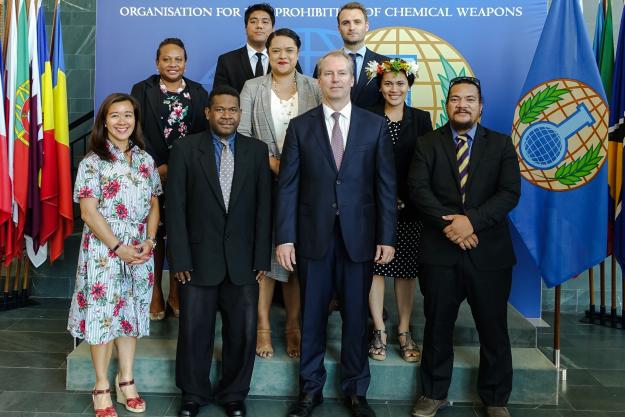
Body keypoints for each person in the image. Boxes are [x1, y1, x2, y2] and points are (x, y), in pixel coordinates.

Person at [276, 50, 397, 417]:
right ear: (318, 80)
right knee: (311, 316)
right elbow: (288, 187)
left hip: (360, 237)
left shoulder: (374, 125)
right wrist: (284, 237)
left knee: (356, 318)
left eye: (342, 73)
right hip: (313, 238)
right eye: (327, 74)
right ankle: (309, 391)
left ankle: (356, 390)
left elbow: (385, 187)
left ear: (351, 78)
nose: (335, 80)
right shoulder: (301, 126)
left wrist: (387, 237)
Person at [407, 76, 521, 417]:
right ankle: (433, 392)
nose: (462, 105)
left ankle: (496, 398)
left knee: (493, 327)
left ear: (480, 106)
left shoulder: (500, 145)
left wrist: (470, 221)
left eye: (470, 99)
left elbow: (509, 193)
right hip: (440, 254)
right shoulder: (427, 144)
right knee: (438, 324)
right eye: (456, 99)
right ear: (447, 106)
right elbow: (418, 190)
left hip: (489, 254)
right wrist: (452, 226)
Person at [166, 85, 272, 417]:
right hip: (197, 260)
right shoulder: (185, 149)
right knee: (194, 330)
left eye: (233, 110)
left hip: (243, 261)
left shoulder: (256, 151)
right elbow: (176, 207)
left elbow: (264, 209)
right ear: (208, 113)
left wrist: (260, 258)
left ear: (240, 115)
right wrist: (179, 257)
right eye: (220, 110)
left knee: (242, 331)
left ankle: (234, 393)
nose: (227, 115)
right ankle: (193, 394)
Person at [67, 93, 161, 417]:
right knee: (102, 319)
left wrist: (149, 241)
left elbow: (154, 204)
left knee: (131, 316)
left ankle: (127, 381)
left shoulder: (146, 160)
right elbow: (89, 213)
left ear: (135, 120)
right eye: (115, 116)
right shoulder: (93, 161)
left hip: (138, 249)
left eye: (128, 115)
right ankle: (100, 386)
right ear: (104, 121)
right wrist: (118, 247)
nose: (122, 121)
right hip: (103, 251)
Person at [238, 28, 321, 360]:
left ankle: (293, 326)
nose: (282, 55)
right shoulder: (252, 87)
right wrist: (273, 164)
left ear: (299, 53)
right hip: (263, 184)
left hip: (308, 187)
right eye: (276, 50)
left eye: (289, 49)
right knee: (267, 259)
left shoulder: (314, 88)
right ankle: (263, 327)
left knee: (296, 260)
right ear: (267, 54)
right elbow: (242, 134)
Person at [130, 37, 209, 320]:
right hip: (152, 172)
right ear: (157, 62)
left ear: (185, 62)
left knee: (181, 231)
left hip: (188, 175)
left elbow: (203, 135)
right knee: (155, 232)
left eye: (178, 59)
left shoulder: (199, 93)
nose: (172, 64)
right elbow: (135, 129)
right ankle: (155, 292)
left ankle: (177, 288)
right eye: (167, 59)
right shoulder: (142, 90)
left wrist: (180, 167)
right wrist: (157, 166)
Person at [364, 59, 432, 363]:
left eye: (400, 83)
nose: (394, 88)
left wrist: (406, 197)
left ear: (409, 85)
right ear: (380, 86)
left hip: (410, 207)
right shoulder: (366, 117)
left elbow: (426, 165)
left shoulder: (421, 119)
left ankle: (404, 329)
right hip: (373, 207)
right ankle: (379, 329)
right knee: (375, 269)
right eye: (388, 83)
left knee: (405, 271)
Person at [213, 3, 302, 93]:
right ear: (245, 28)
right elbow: (219, 98)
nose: (259, 26)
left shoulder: (286, 59)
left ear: (273, 29)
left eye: (265, 22)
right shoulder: (227, 61)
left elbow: (299, 91)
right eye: (253, 21)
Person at [313, 2, 387, 108]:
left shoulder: (384, 64)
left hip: (374, 123)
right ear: (339, 28)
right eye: (345, 23)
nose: (352, 27)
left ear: (366, 26)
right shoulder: (325, 64)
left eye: (357, 22)